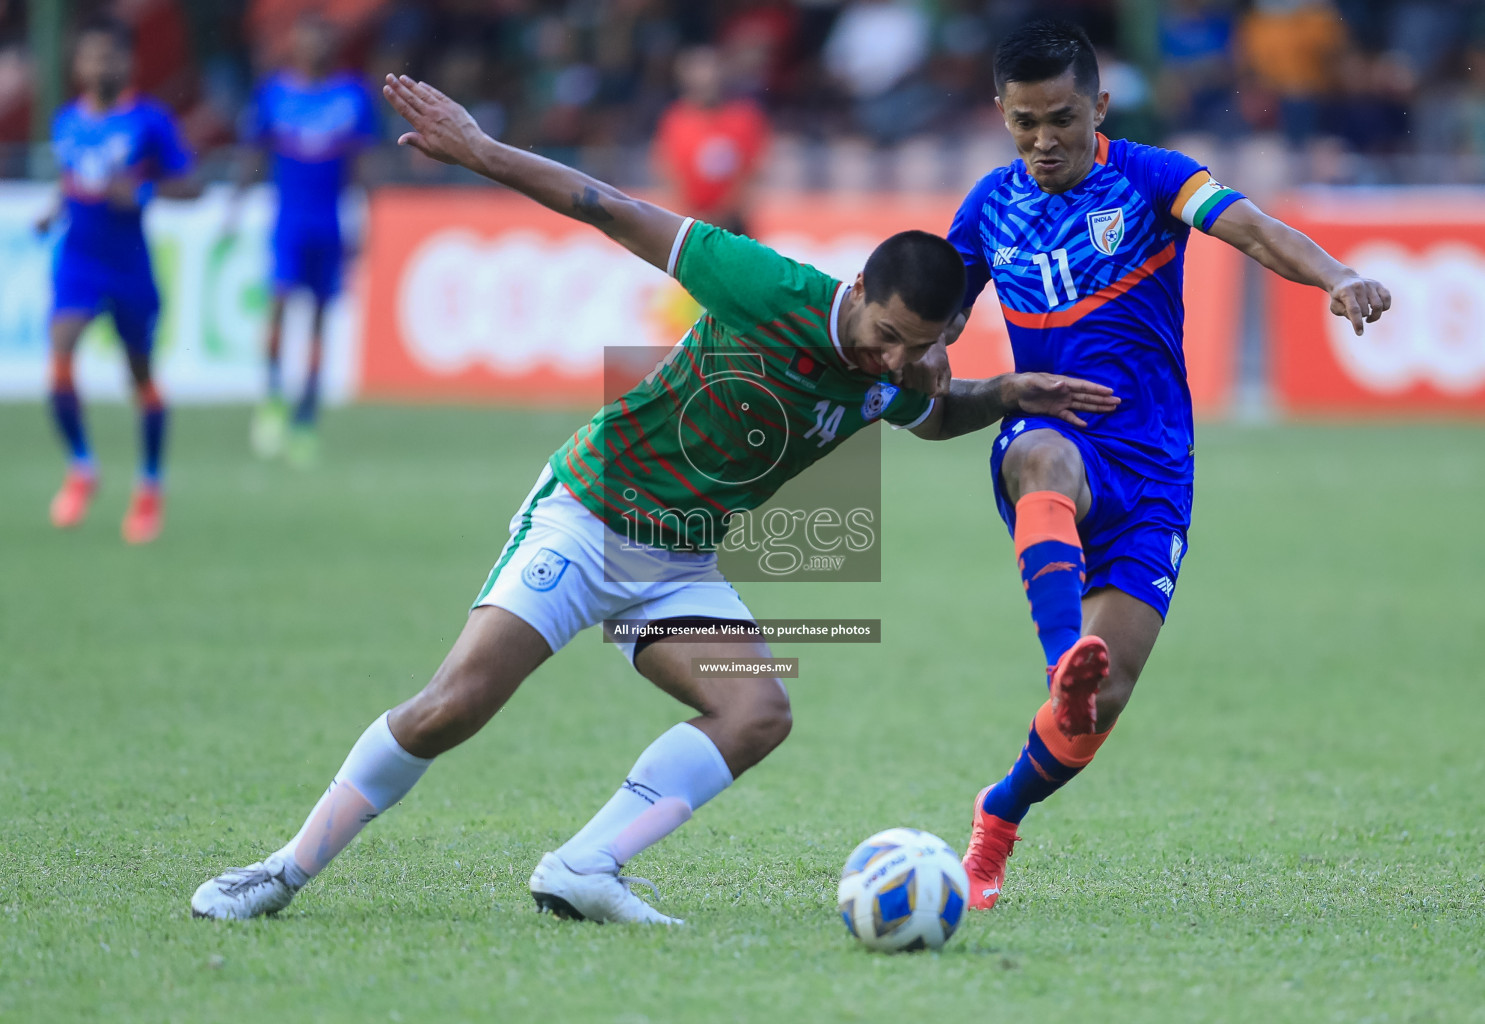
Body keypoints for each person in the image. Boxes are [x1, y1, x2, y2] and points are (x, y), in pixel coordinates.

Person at [190, 73, 1118, 925]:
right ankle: (280, 871)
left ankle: (584, 868)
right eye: (883, 336)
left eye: (917, 345)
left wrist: (1002, 394)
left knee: (757, 713)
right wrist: (479, 151)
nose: (894, 360)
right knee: (454, 706)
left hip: (677, 560)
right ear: (859, 290)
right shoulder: (764, 284)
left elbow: (930, 413)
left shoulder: (909, 369)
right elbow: (608, 207)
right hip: (590, 515)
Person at [945, 19, 1391, 910]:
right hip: (1052, 433)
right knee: (1039, 454)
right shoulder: (985, 210)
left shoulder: (1152, 178)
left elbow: (1253, 229)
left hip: (1153, 470)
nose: (1043, 140)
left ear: (1099, 106)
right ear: (1001, 114)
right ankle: (1057, 656)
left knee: (1101, 706)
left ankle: (996, 820)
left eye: (1061, 119)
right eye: (1024, 122)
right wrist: (951, 379)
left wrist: (1336, 276)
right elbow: (932, 328)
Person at [38, 16, 198, 545]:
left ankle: (150, 485)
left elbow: (190, 185)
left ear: (126, 64)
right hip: (78, 260)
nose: (101, 66)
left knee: (140, 378)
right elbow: (76, 179)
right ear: (77, 66)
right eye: (92, 57)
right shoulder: (66, 121)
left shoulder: (149, 120)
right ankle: (82, 467)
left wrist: (145, 193)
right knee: (60, 355)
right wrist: (53, 207)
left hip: (129, 264)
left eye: (111, 57)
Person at [238, 12, 377, 465]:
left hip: (330, 223)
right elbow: (253, 152)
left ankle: (306, 418)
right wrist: (234, 201)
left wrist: (362, 218)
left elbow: (361, 167)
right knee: (279, 305)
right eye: (305, 38)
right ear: (294, 43)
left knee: (319, 318)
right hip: (288, 223)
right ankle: (274, 395)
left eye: (321, 38)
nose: (312, 47)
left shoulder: (352, 96)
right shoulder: (275, 93)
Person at [652, 45, 769, 237]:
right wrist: (693, 211)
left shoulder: (745, 117)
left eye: (711, 72)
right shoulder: (675, 119)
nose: (706, 80)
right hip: (691, 221)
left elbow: (752, 169)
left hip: (734, 222)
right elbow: (668, 168)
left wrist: (723, 211)